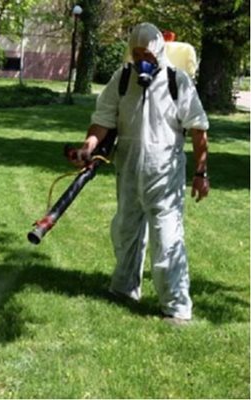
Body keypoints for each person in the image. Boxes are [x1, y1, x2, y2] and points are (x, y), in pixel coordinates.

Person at [72, 23, 209, 324]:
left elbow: (198, 128)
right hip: (129, 170)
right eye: (136, 53)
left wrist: (201, 172)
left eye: (147, 53)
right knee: (125, 231)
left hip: (166, 173)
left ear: (159, 50)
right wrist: (88, 146)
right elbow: (103, 120)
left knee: (167, 237)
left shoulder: (178, 81)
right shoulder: (122, 79)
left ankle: (176, 306)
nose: (142, 58)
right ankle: (123, 288)